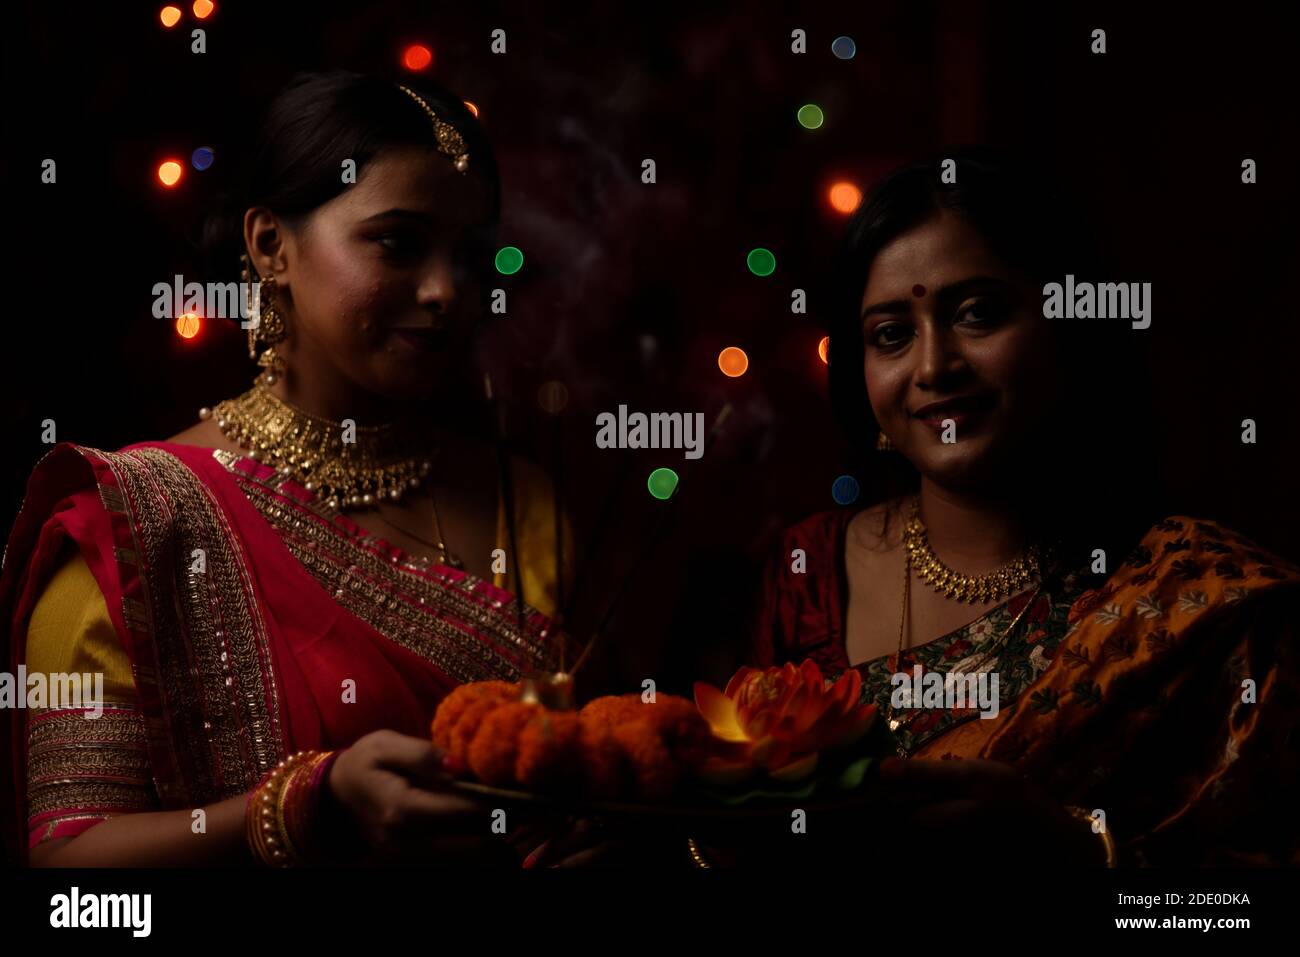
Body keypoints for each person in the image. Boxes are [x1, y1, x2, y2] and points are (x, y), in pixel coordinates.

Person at [0, 71, 580, 867]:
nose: (447, 290)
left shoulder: (527, 502)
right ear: (271, 246)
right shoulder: (137, 515)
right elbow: (71, 880)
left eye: (469, 255)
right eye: (399, 242)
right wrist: (307, 805)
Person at [745, 149, 1300, 866]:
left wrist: (1080, 854)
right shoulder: (810, 575)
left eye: (978, 313)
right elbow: (739, 832)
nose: (934, 365)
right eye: (891, 333)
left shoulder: (1207, 606)